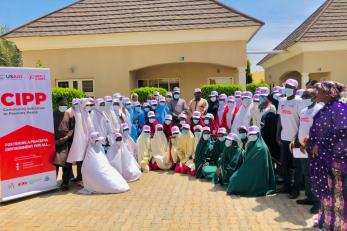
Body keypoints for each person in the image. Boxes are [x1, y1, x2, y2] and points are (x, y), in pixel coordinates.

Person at [306, 81, 347, 230]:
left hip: (337, 162)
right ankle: (327, 222)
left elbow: (342, 132)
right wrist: (310, 142)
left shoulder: (339, 109)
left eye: (320, 91)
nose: (316, 93)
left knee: (338, 195)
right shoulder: (325, 109)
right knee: (327, 194)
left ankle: (339, 226)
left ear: (330, 93)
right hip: (324, 160)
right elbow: (320, 131)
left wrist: (320, 145)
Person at [290, 88, 323, 214]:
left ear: (314, 97)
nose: (304, 98)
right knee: (306, 173)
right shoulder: (303, 111)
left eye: (307, 96)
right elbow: (301, 127)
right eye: (303, 96)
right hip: (302, 147)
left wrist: (310, 143)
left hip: (313, 148)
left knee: (314, 175)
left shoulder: (319, 110)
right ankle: (309, 197)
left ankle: (318, 203)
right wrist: (295, 139)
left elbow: (320, 130)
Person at [227, 126, 276, 197]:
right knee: (233, 179)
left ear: (258, 135)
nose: (251, 136)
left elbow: (254, 165)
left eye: (253, 134)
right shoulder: (251, 144)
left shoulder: (261, 148)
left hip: (257, 175)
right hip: (249, 170)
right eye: (250, 134)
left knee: (234, 181)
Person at [276, 79, 303, 199]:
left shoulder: (300, 102)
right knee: (284, 164)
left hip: (296, 140)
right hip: (284, 138)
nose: (287, 88)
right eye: (286, 86)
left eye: (290, 87)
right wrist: (277, 134)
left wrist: (297, 138)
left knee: (297, 166)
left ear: (295, 89)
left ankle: (296, 189)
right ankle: (287, 186)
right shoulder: (281, 101)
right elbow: (280, 119)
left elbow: (303, 121)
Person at [67, 98, 92, 185]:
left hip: (85, 139)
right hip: (76, 140)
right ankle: (78, 177)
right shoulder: (72, 112)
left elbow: (88, 127)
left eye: (89, 105)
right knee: (78, 159)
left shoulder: (85, 113)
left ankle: (80, 177)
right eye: (87, 105)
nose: (88, 107)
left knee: (82, 159)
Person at [53, 96, 75, 191]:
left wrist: (66, 137)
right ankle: (52, 184)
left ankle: (65, 183)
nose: (64, 105)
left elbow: (72, 129)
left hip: (65, 143)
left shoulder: (70, 115)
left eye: (65, 104)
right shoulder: (52, 115)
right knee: (55, 165)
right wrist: (54, 141)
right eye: (62, 104)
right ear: (58, 104)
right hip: (55, 143)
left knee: (66, 165)